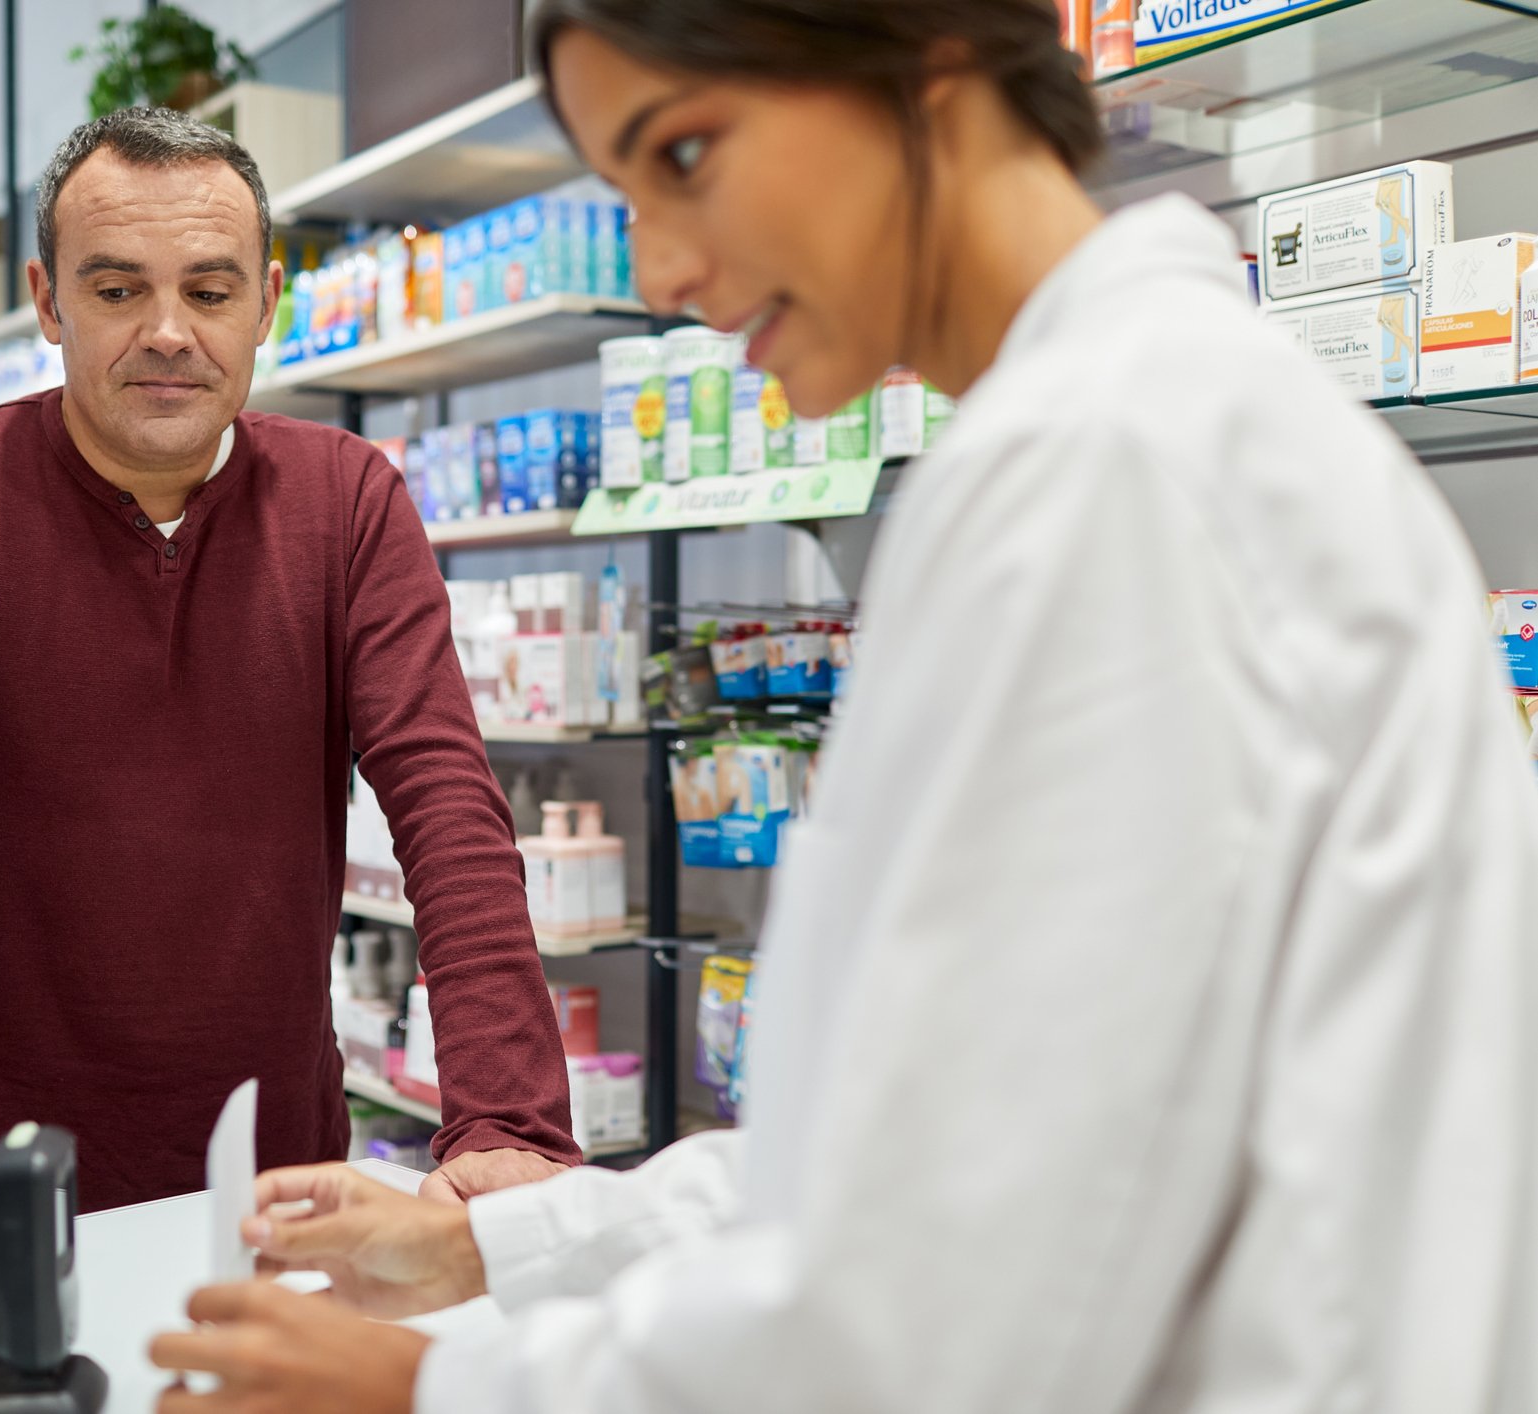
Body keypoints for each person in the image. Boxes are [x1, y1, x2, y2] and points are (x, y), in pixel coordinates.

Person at [146, 1, 1538, 1410]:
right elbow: (921, 1143)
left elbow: (933, 1311)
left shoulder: (1106, 470)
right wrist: (495, 1245)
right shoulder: (1140, 426)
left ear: (928, 57)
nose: (663, 267)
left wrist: (432, 1390)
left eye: (685, 154)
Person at [0, 107, 580, 1306]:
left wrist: (507, 1122)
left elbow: (447, 809)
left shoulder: (347, 501)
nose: (168, 332)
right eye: (118, 289)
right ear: (48, 301)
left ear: (266, 302)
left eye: (210, 291)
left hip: (279, 1200)